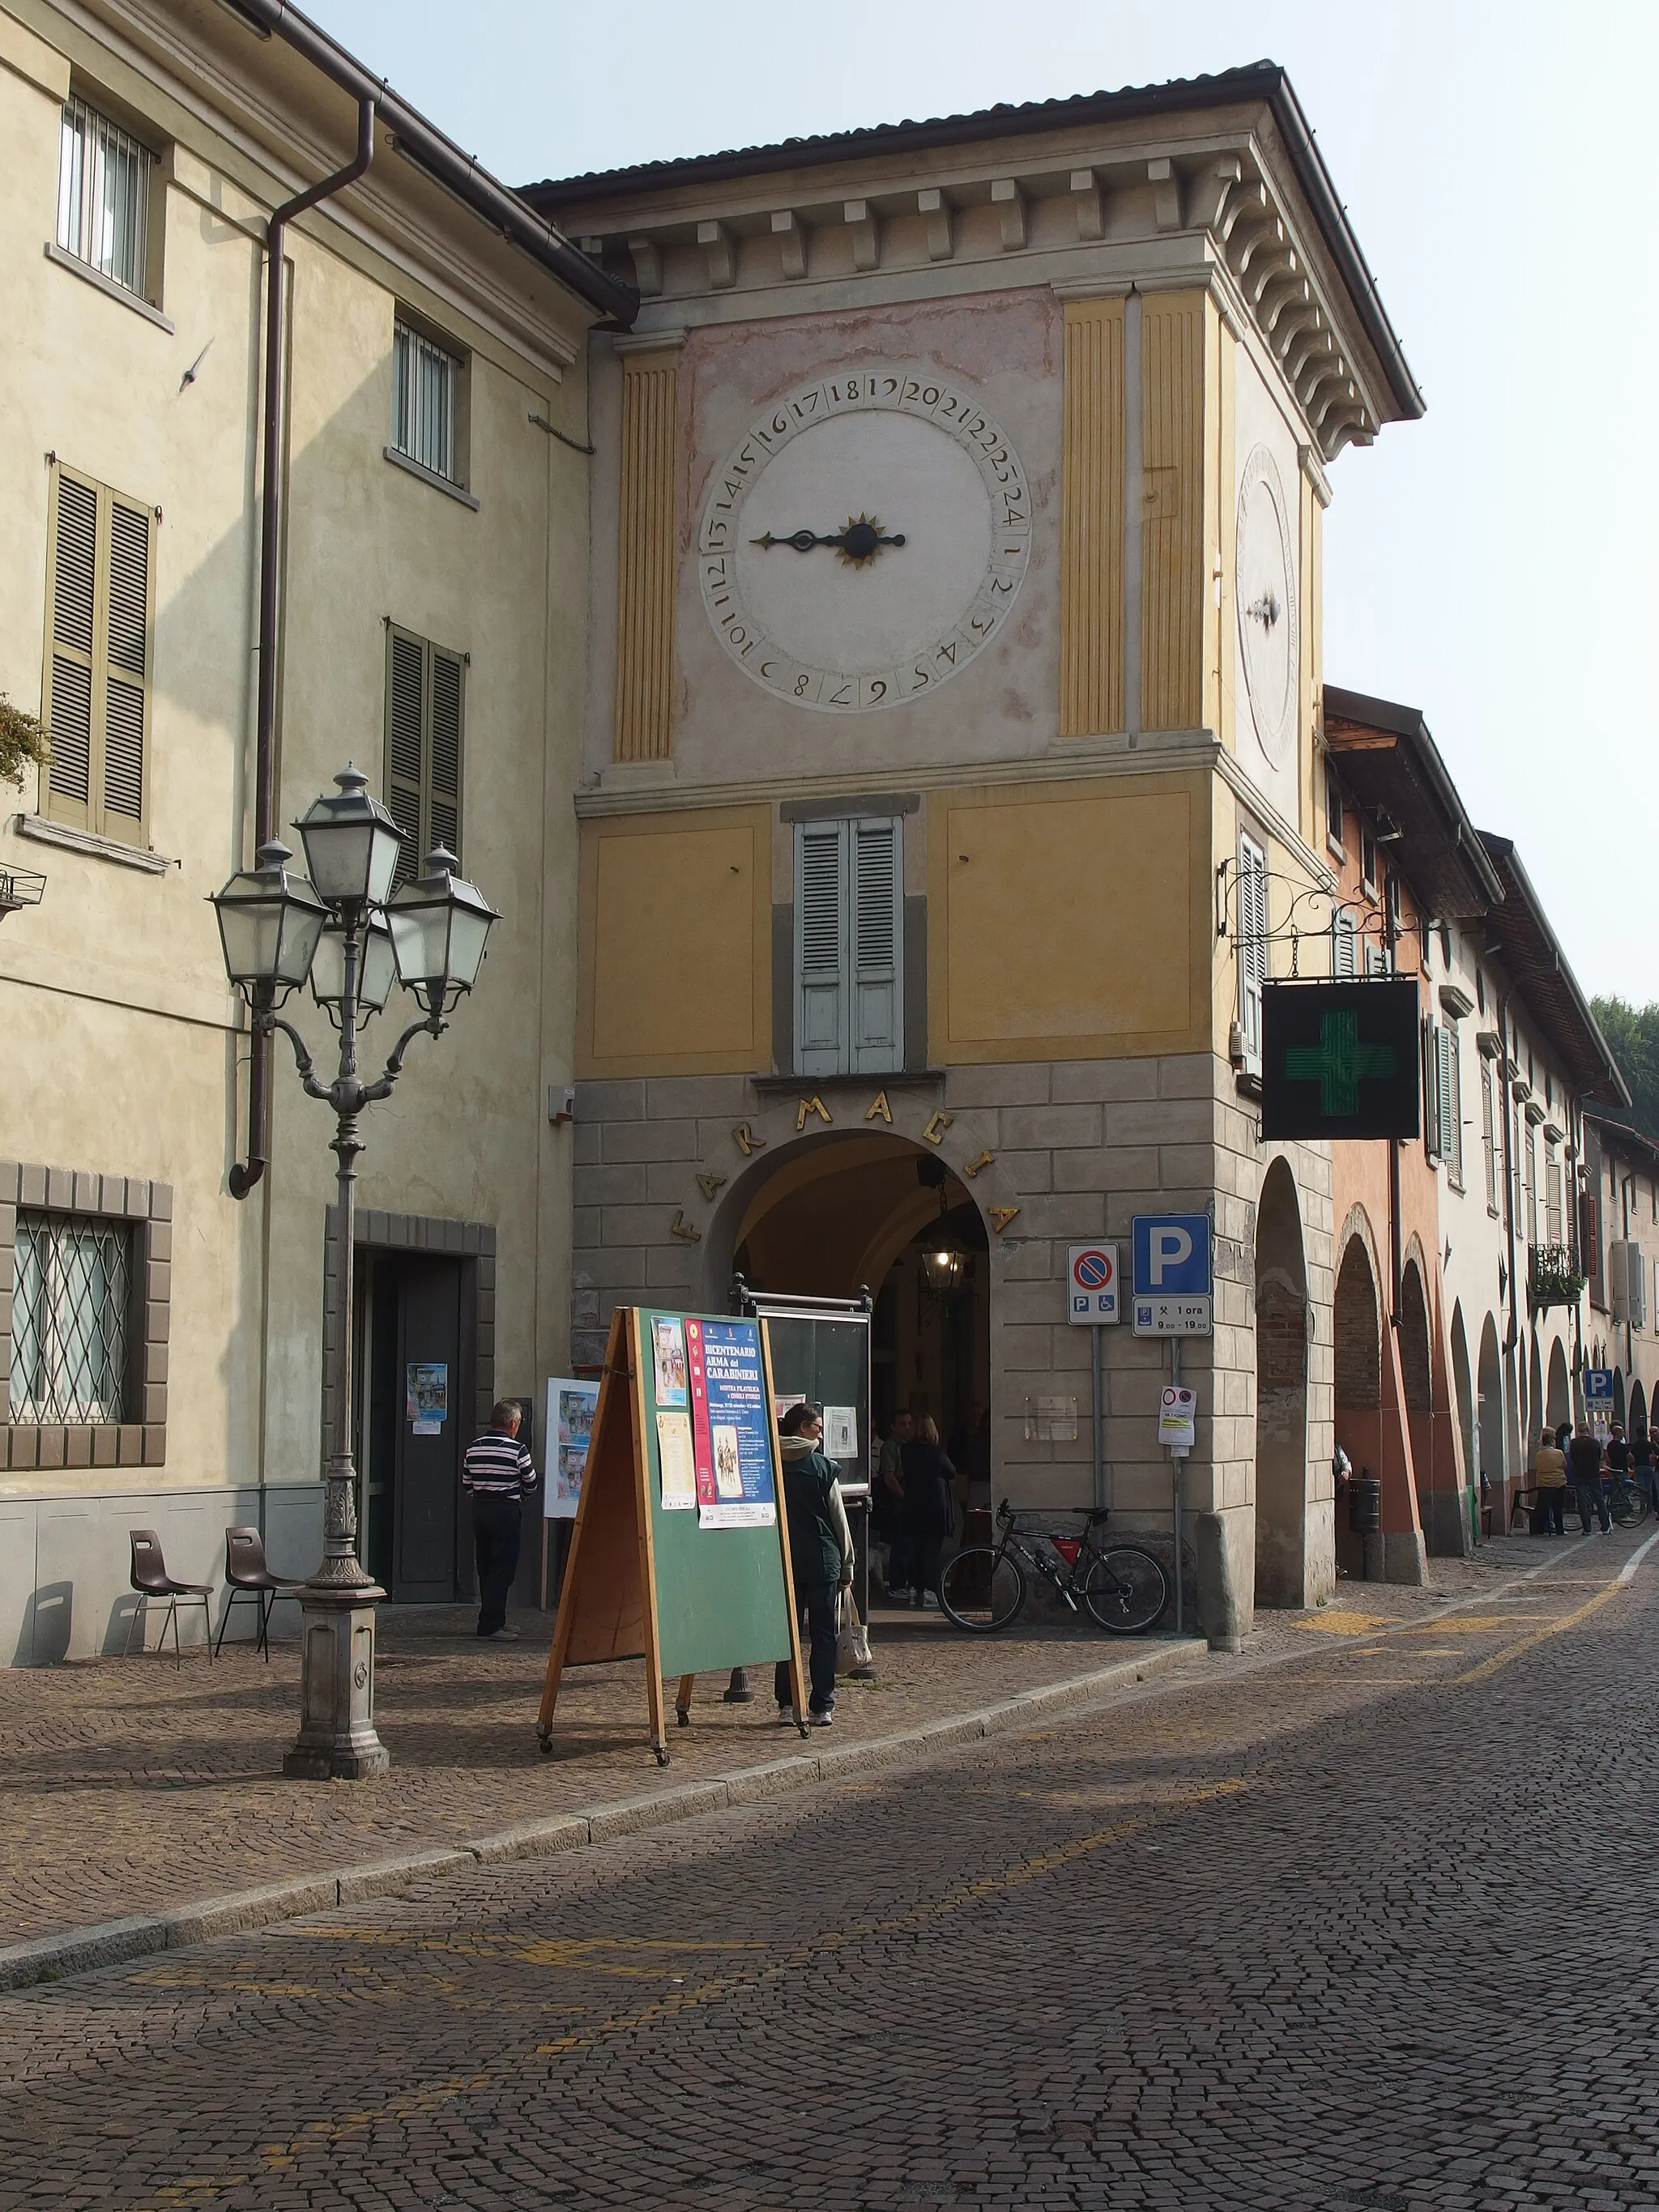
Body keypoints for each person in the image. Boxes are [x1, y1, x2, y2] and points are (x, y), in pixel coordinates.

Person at [774, 1402, 854, 1727]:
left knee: (788, 1635)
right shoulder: (822, 1467)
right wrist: (847, 1564)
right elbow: (839, 1518)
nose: (821, 1433)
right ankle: (822, 1706)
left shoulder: (772, 1461)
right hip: (822, 1560)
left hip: (786, 1560)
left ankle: (786, 1705)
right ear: (803, 1427)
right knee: (823, 1634)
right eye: (818, 1427)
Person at [461, 1399, 537, 1638]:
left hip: (481, 1510)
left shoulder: (473, 1448)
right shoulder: (518, 1450)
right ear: (513, 1423)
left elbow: (467, 1484)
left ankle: (494, 1618)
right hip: (506, 1511)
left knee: (486, 1566)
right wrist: (519, 1496)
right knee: (503, 1568)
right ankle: (492, 1624)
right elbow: (531, 1483)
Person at [899, 1415, 957, 1611]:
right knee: (931, 1551)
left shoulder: (906, 1451)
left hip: (913, 1504)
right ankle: (931, 1590)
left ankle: (915, 1589)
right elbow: (951, 1471)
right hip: (934, 1505)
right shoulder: (936, 1452)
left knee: (914, 1550)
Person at [876, 1408, 914, 1601]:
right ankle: (897, 1585)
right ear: (893, 1426)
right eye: (902, 1424)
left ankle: (909, 1583)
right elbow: (889, 1477)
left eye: (909, 1423)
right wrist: (904, 1496)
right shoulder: (890, 1447)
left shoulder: (912, 1446)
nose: (907, 1427)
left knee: (909, 1544)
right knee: (900, 1544)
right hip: (899, 1500)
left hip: (909, 1501)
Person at [1567, 1421, 1609, 1535]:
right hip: (1594, 1474)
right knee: (1599, 1499)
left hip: (1580, 1474)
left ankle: (1587, 1528)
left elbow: (1572, 1457)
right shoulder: (1594, 1442)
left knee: (1582, 1501)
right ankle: (1605, 1526)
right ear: (1588, 1429)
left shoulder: (1574, 1442)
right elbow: (1599, 1456)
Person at [1532, 1426, 1567, 1536]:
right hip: (1559, 1483)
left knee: (1543, 1507)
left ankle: (1540, 1529)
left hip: (1544, 1484)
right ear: (1552, 1441)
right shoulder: (1559, 1453)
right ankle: (1559, 1530)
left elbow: (1537, 1467)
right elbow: (1564, 1465)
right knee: (1558, 1507)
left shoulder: (1539, 1454)